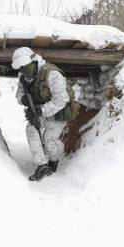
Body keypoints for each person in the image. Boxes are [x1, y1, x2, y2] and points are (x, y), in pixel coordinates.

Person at [12, 47, 75, 181]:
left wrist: (41, 110)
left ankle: (54, 160)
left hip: (59, 111)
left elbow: (62, 99)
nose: (22, 70)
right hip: (39, 111)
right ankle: (42, 166)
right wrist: (24, 100)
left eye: (25, 66)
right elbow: (19, 94)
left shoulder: (52, 74)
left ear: (33, 62)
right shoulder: (23, 76)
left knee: (49, 141)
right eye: (20, 68)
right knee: (31, 130)